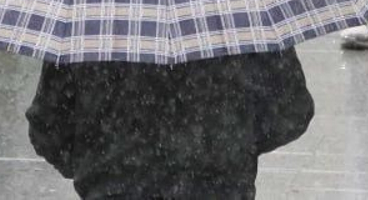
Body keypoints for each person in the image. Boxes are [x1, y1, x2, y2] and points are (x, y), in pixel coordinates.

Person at [25, 48, 313, 199]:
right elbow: (291, 111)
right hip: (218, 187)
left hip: (116, 187)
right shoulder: (239, 7)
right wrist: (232, 147)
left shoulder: (89, 17)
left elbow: (48, 126)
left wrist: (103, 165)